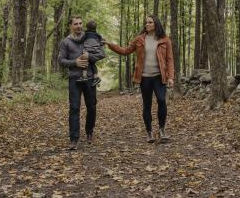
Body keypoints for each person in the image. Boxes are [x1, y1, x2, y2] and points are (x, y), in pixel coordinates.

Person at [103, 15, 174, 143]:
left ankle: (162, 129)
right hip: (145, 78)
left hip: (159, 76)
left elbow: (169, 59)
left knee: (162, 100)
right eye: (146, 22)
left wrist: (171, 77)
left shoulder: (164, 40)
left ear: (156, 24)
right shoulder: (139, 39)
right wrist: (110, 44)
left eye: (150, 22)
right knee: (147, 105)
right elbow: (125, 51)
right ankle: (149, 132)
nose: (147, 24)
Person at [58, 16, 104, 150]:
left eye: (80, 23)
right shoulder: (65, 42)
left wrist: (90, 56)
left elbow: (101, 53)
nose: (79, 26)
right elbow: (61, 60)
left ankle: (89, 131)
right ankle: (74, 138)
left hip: (89, 78)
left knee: (92, 107)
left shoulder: (90, 37)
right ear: (70, 26)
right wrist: (75, 62)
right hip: (74, 78)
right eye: (75, 24)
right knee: (74, 108)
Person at [77, 20, 105, 87]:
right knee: (93, 64)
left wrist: (78, 41)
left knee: (85, 61)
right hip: (96, 51)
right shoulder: (98, 35)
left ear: (87, 28)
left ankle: (84, 76)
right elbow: (101, 43)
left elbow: (80, 40)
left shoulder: (86, 34)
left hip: (88, 51)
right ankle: (95, 78)